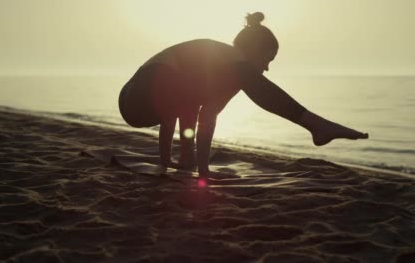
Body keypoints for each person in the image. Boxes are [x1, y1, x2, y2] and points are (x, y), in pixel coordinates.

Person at [118, 12, 368, 178]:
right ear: (253, 50)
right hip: (141, 94)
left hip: (135, 101)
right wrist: (203, 171)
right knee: (199, 92)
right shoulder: (232, 59)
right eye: (267, 59)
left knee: (192, 94)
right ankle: (316, 125)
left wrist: (166, 159)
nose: (266, 68)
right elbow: (199, 113)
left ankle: (184, 159)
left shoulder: (220, 67)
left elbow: (192, 112)